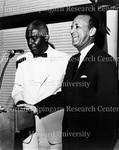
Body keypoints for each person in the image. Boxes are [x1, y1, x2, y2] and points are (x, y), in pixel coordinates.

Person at [19, 13, 119, 150]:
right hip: (70, 142)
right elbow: (65, 96)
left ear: (92, 31)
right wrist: (37, 107)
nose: (71, 31)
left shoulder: (103, 61)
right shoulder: (73, 61)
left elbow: (110, 114)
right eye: (71, 27)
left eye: (77, 27)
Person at [12, 20, 69, 150]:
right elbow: (18, 87)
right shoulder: (21, 61)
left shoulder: (65, 60)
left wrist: (40, 108)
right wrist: (20, 103)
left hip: (52, 129)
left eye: (34, 38)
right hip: (27, 130)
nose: (30, 42)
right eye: (28, 38)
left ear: (46, 37)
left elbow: (65, 94)